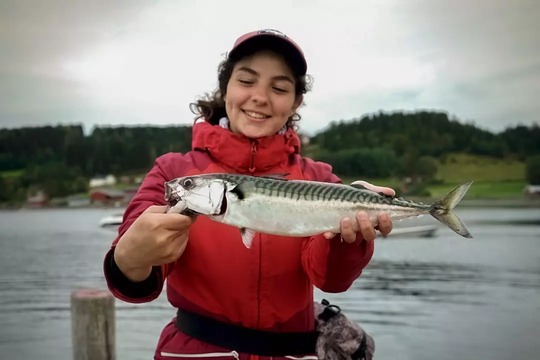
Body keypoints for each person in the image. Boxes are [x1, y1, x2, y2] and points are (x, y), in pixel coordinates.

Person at [103, 29, 394, 360]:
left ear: (296, 101)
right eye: (246, 81)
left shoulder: (319, 178)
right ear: (225, 88)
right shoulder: (175, 173)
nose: (260, 97)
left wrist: (349, 238)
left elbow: (330, 279)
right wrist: (129, 257)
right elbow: (135, 283)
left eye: (279, 87)